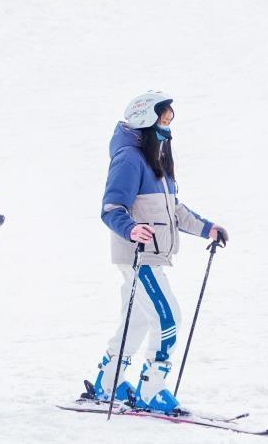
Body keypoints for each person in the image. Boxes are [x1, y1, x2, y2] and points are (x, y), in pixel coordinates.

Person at [87, 91, 228, 414]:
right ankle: (151, 389)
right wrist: (131, 229)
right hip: (140, 257)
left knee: (136, 321)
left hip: (150, 255)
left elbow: (172, 210)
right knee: (168, 319)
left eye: (169, 119)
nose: (168, 125)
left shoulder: (154, 157)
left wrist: (208, 229)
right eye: (163, 118)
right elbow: (111, 208)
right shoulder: (129, 158)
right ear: (145, 119)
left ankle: (108, 382)